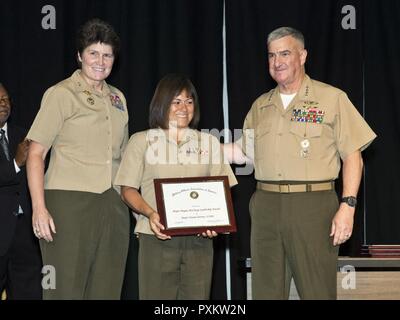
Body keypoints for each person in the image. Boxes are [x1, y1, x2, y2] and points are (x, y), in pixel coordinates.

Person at [225, 27, 377, 299]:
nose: (277, 62)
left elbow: (352, 155)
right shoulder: (261, 106)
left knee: (317, 290)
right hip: (266, 206)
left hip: (314, 205)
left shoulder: (332, 98)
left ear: (303, 55)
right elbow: (244, 154)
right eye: (271, 55)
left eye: (285, 53)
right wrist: (195, 146)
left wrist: (348, 206)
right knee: (265, 292)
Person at [26, 19, 130, 299]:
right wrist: (39, 208)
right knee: (65, 291)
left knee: (106, 291)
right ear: (79, 56)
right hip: (68, 205)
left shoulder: (118, 98)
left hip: (113, 203)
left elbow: (124, 156)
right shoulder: (61, 94)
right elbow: (36, 153)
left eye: (107, 55)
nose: (100, 61)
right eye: (93, 53)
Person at [114, 74, 237, 299]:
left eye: (189, 101)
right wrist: (151, 213)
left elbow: (223, 188)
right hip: (157, 237)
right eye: (176, 101)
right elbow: (127, 190)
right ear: (162, 103)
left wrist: (215, 222)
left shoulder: (208, 142)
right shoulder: (141, 141)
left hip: (200, 241)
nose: (184, 107)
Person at [0, 83, 42, 300]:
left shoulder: (24, 135)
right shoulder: (20, 150)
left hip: (25, 231)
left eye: (6, 99)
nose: (3, 104)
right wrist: (16, 162)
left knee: (28, 291)